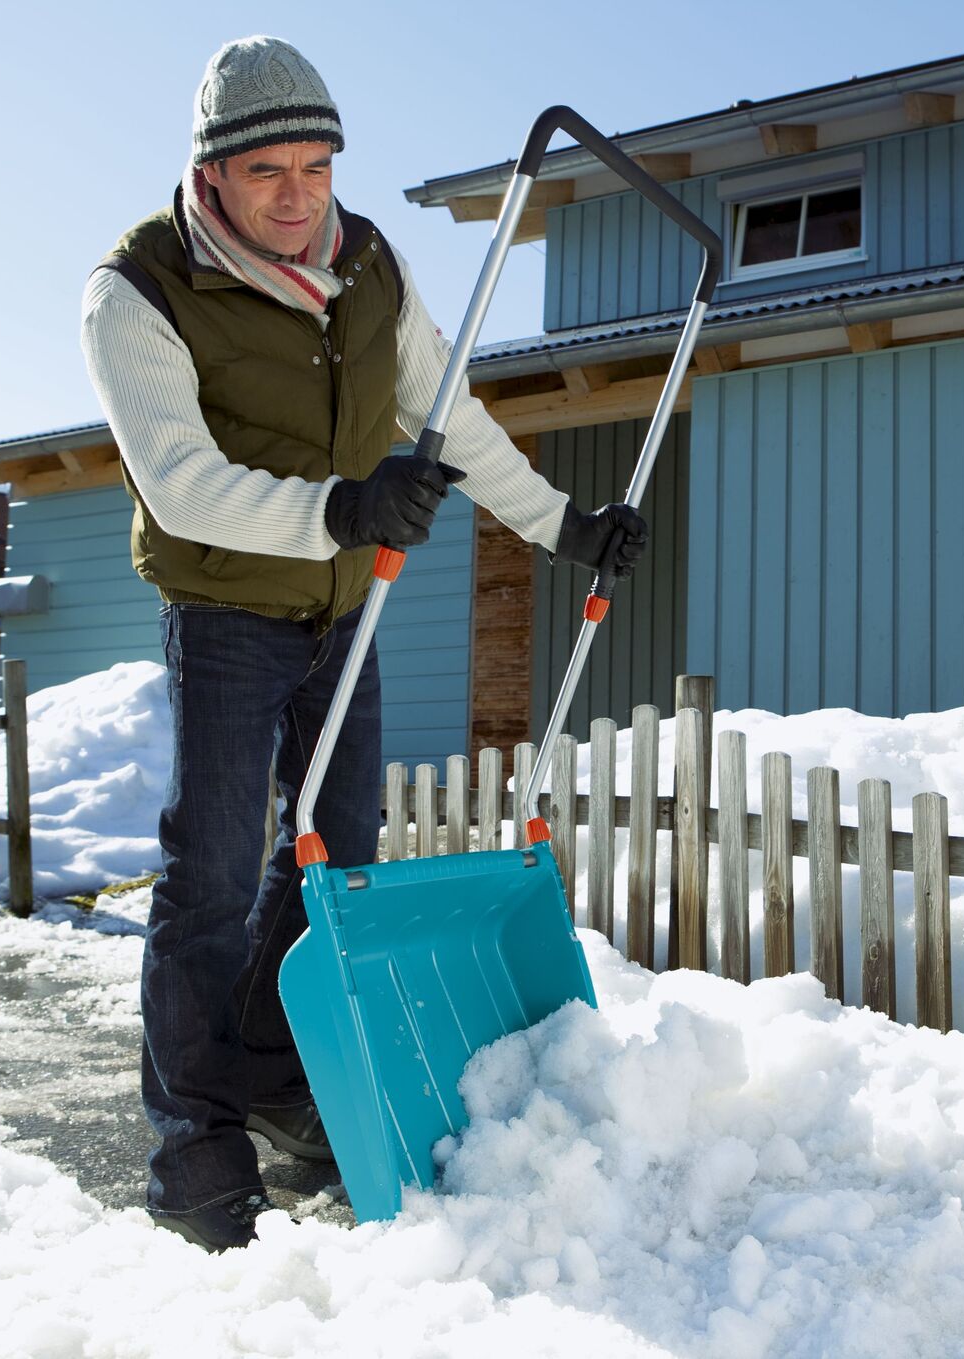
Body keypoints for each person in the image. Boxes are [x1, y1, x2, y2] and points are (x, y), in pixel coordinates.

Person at [80, 35, 648, 1252]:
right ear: (213, 176)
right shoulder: (138, 288)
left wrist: (564, 527)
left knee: (335, 864)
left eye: (317, 167)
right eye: (268, 172)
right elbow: (178, 484)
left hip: (345, 609)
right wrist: (338, 507)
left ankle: (284, 1087)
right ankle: (197, 1144)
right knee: (214, 876)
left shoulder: (369, 265)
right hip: (226, 608)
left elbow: (447, 413)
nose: (297, 196)